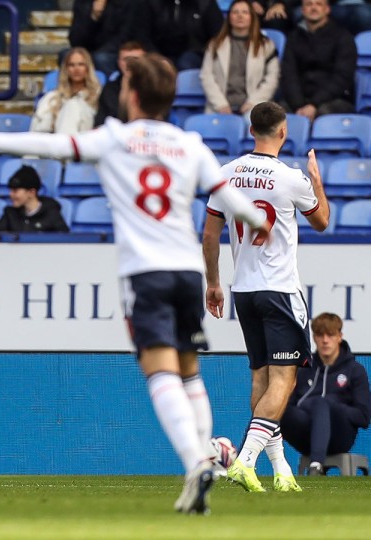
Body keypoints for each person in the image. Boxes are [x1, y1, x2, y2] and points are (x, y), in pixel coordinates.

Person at [0, 53, 269, 514]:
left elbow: (48, 146)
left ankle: (196, 460)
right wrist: (257, 220)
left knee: (159, 372)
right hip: (187, 272)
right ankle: (204, 461)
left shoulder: (116, 138)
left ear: (132, 95)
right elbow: (230, 198)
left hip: (145, 273)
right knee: (189, 370)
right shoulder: (190, 143)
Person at [202, 101, 330, 493]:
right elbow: (322, 221)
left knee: (261, 376)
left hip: (243, 289)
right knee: (285, 381)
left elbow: (209, 235)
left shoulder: (226, 174)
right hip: (279, 289)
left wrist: (213, 283)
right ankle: (244, 460)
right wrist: (316, 180)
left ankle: (281, 471)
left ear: (251, 130)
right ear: (283, 131)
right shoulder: (290, 178)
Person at [281, 312, 371, 475]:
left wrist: (331, 406)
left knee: (321, 403)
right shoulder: (304, 369)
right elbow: (291, 407)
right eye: (320, 335)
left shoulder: (355, 371)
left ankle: (316, 466)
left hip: (340, 437)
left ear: (339, 337)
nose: (325, 340)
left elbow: (364, 417)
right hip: (306, 436)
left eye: (330, 335)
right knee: (277, 407)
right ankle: (250, 459)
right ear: (314, 338)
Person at [200, 0, 280, 117]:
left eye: (245, 12)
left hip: (254, 106)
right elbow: (206, 76)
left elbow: (272, 78)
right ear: (229, 17)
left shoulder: (266, 45)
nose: (240, 16)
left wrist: (253, 102)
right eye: (235, 12)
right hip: (220, 107)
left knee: (253, 124)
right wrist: (221, 105)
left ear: (252, 17)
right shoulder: (215, 44)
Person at [280, 0, 357, 121]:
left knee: (322, 114)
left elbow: (342, 78)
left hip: (334, 100)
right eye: (309, 4)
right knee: (271, 115)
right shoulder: (293, 37)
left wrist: (314, 104)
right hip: (299, 101)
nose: (313, 8)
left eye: (319, 4)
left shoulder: (343, 37)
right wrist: (298, 105)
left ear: (327, 9)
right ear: (302, 10)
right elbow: (289, 74)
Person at [137, 0, 224, 71]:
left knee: (186, 64)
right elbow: (143, 36)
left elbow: (219, 35)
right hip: (157, 52)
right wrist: (157, 58)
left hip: (196, 52)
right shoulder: (151, 3)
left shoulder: (205, 3)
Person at [32, 47, 101, 135]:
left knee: (72, 105)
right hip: (54, 140)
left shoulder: (99, 95)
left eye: (81, 64)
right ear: (66, 69)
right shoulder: (52, 97)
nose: (76, 69)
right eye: (71, 65)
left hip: (85, 140)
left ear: (88, 67)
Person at [68, 0, 138, 75]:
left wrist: (100, 51)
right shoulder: (83, 2)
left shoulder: (128, 3)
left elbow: (125, 36)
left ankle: (110, 85)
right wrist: (94, 17)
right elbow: (75, 40)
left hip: (118, 50)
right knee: (66, 55)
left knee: (101, 58)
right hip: (91, 49)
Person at [0, 165, 69, 233]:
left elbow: (64, 239)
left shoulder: (51, 214)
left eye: (15, 191)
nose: (10, 194)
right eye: (10, 190)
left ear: (31, 192)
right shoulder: (10, 214)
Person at [94, 41, 146, 127]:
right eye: (126, 59)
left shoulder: (153, 87)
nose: (131, 63)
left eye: (136, 59)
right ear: (119, 62)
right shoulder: (109, 89)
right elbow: (102, 122)